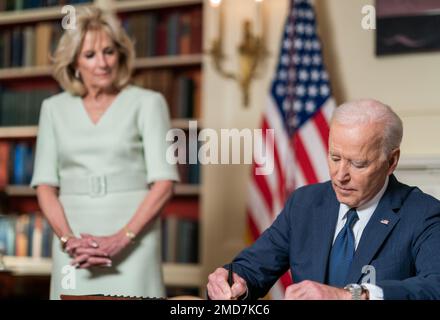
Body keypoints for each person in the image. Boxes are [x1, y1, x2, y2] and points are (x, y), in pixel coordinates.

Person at [207, 99, 440, 300]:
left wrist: (350, 295)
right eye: (334, 157)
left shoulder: (423, 214)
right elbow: (252, 267)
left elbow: (435, 286)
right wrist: (233, 280)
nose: (340, 176)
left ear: (391, 162)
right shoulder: (304, 203)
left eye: (358, 164)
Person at [30, 7, 179, 299]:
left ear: (120, 55)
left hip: (135, 241)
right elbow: (45, 185)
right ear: (74, 63)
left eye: (109, 52)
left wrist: (121, 239)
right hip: (72, 247)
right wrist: (68, 239)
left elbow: (164, 183)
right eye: (90, 55)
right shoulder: (53, 108)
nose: (103, 63)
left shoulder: (148, 103)